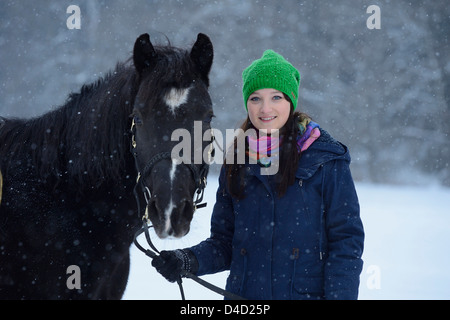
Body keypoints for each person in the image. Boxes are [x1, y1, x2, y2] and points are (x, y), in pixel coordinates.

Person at [152, 50, 364, 300]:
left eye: (276, 97)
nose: (265, 108)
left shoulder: (327, 160)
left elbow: (345, 245)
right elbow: (224, 244)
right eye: (255, 98)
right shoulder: (235, 162)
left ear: (291, 101)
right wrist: (187, 260)